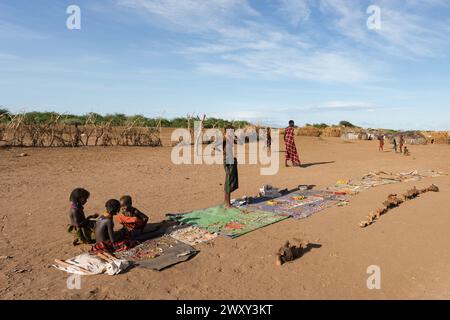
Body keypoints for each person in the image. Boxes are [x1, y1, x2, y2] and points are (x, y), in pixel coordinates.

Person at [223, 125, 239, 208]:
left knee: (229, 181)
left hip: (230, 159)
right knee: (229, 181)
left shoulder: (229, 138)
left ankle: (226, 201)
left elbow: (240, 142)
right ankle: (227, 204)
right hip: (228, 160)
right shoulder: (224, 138)